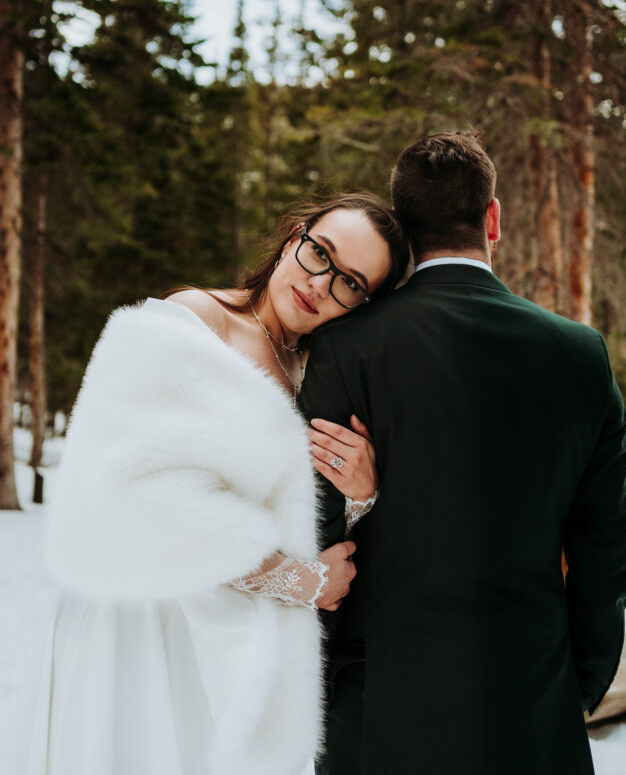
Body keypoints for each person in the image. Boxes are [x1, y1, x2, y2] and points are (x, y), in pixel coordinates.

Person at [4, 195, 409, 775]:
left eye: (350, 282)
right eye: (320, 253)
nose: (321, 283)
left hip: (234, 646)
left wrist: (360, 493)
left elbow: (301, 527)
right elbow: (126, 499)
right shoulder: (192, 318)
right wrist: (300, 581)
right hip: (142, 625)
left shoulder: (321, 371)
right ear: (296, 236)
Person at [300, 132, 626, 775]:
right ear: (493, 218)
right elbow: (605, 544)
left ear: (405, 228)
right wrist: (579, 683)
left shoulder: (346, 346)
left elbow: (313, 525)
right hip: (530, 703)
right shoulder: (579, 354)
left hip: (376, 710)